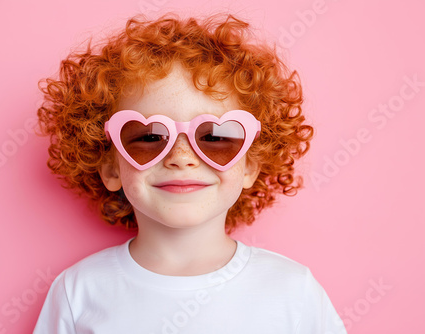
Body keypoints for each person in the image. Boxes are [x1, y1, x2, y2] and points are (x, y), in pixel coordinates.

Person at [32, 11, 347, 334]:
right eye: (149, 137)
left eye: (214, 137)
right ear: (111, 167)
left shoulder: (293, 290)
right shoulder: (78, 292)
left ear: (250, 165)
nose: (181, 158)